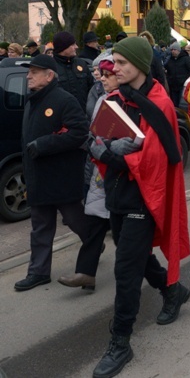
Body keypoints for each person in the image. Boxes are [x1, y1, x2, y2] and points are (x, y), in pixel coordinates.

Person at [89, 37, 190, 378]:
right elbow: (101, 138)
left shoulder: (158, 102)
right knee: (137, 256)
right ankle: (173, 291)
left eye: (120, 63)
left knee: (126, 270)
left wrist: (110, 156)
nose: (113, 68)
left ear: (139, 64)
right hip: (119, 193)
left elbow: (157, 158)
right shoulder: (119, 97)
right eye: (112, 62)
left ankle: (120, 342)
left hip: (145, 197)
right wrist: (99, 147)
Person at [14, 54, 90, 291]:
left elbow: (80, 132)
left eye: (33, 72)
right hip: (38, 178)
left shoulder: (64, 100)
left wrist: (45, 145)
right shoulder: (31, 101)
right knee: (40, 227)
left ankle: (94, 244)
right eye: (29, 72)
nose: (28, 76)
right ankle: (38, 272)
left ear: (49, 76)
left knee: (76, 220)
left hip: (61, 178)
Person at [58, 56, 117, 291]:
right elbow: (94, 132)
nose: (101, 78)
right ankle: (85, 273)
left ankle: (165, 284)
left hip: (120, 174)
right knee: (94, 226)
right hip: (99, 172)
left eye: (107, 74)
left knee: (127, 238)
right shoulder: (101, 96)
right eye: (101, 74)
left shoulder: (127, 101)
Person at [52, 31, 95, 110]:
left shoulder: (82, 64)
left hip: (83, 117)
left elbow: (92, 90)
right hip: (61, 119)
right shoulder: (51, 67)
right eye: (73, 44)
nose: (76, 47)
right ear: (63, 48)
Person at [164, 41, 190, 106]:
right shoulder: (170, 60)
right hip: (172, 85)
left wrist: (185, 80)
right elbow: (167, 70)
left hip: (182, 85)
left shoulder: (186, 58)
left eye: (174, 49)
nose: (173, 51)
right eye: (171, 50)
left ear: (178, 50)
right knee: (174, 103)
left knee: (182, 104)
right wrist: (169, 79)